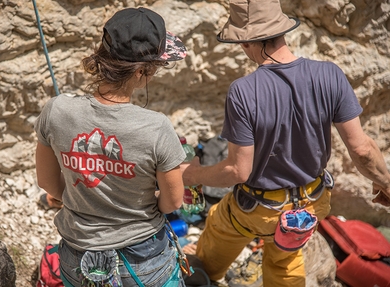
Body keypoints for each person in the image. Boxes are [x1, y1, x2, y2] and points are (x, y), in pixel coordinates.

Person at [181, 1, 390, 286]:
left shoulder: (243, 91)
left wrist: (192, 175)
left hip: (257, 210)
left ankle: (204, 272)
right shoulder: (330, 74)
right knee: (285, 260)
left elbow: (237, 171)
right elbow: (363, 149)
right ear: (282, 32)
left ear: (246, 42)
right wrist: (385, 183)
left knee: (220, 223)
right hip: (309, 207)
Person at [34, 7, 188, 287]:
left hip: (76, 256)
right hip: (142, 262)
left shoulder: (56, 110)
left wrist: (82, 198)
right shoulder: (156, 127)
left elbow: (47, 182)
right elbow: (173, 201)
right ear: (141, 71)